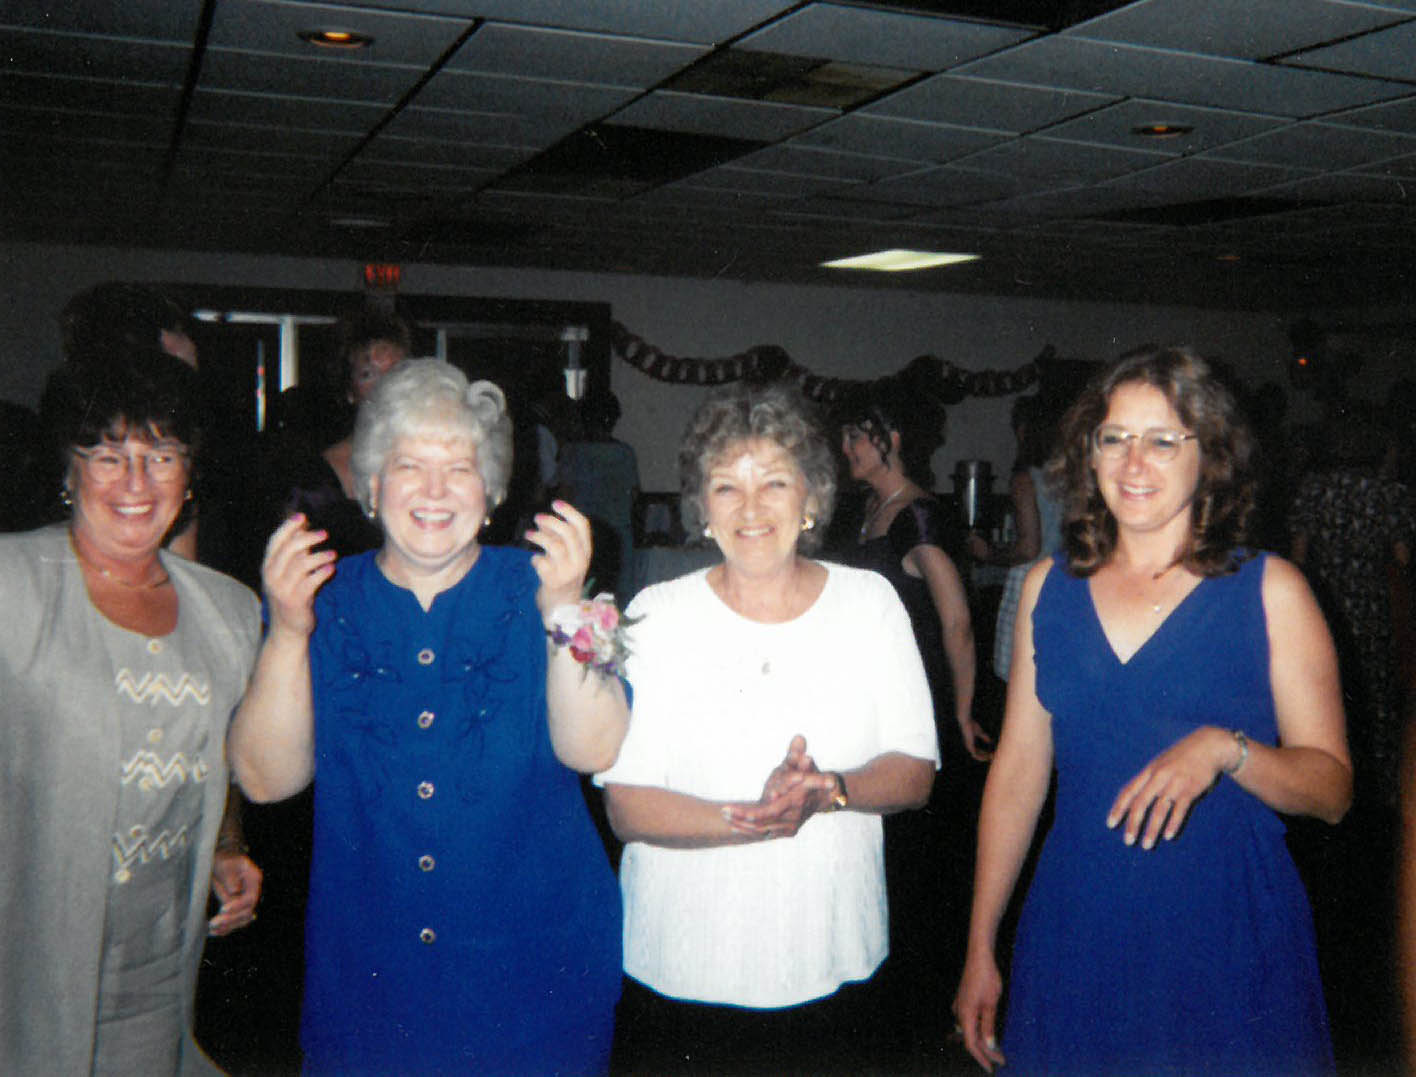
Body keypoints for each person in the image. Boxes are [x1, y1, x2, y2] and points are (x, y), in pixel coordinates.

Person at [953, 346, 1351, 1076]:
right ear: (1090, 452)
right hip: (1079, 922)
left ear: (1211, 455)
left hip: (1227, 934)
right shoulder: (1048, 588)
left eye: (1163, 440)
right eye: (1115, 438)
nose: (1134, 463)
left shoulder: (1272, 591)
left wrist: (1226, 750)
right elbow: (1017, 773)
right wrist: (980, 943)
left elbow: (1332, 790)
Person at [228, 358, 628, 1075]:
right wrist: (287, 632)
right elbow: (264, 779)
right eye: (409, 465)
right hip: (371, 987)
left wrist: (565, 608)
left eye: (461, 468)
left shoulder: (548, 585)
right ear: (371, 484)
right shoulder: (318, 599)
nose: (436, 490)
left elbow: (594, 749)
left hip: (535, 983)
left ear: (493, 489)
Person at [598, 381, 939, 1076]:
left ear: (812, 496)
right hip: (680, 971)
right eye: (726, 487)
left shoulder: (869, 603)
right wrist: (755, 819)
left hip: (833, 963)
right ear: (702, 507)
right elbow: (627, 806)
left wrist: (828, 790)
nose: (750, 508)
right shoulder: (656, 616)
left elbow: (915, 772)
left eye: (775, 483)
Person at [0, 348, 262, 1074]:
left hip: (154, 965)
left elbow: (222, 753)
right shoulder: (11, 583)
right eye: (110, 456)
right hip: (21, 958)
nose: (138, 483)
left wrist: (226, 844)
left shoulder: (228, 611)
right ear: (69, 469)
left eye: (162, 456)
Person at [967, 394, 1064, 680]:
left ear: (1023, 430)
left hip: (1031, 582)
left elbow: (1028, 548)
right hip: (1066, 579)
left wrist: (988, 554)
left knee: (1014, 674)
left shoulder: (1026, 478)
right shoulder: (1071, 476)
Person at [556, 388, 641, 595]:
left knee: (583, 595)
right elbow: (634, 496)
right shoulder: (624, 453)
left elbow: (564, 497)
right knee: (617, 598)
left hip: (584, 535)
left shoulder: (572, 451)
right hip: (617, 538)